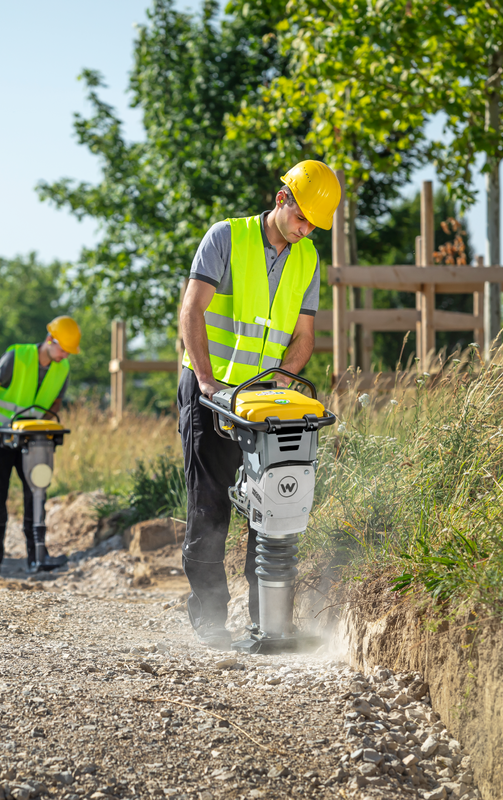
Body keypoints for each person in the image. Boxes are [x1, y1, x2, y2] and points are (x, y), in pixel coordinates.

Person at [176, 160, 340, 648]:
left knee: (269, 505)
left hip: (263, 405)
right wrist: (206, 382)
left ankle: (265, 621)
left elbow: (304, 336)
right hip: (210, 390)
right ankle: (209, 619)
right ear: (280, 198)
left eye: (314, 224)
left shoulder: (307, 259)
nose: (306, 229)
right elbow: (192, 310)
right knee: (209, 506)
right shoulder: (226, 238)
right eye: (302, 218)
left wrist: (282, 388)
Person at [0, 316, 81, 576]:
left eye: (69, 352)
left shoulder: (62, 368)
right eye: (63, 349)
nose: (65, 355)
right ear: (50, 340)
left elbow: (56, 401)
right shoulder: (17, 356)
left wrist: (45, 420)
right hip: (0, 435)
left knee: (36, 495)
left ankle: (37, 558)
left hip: (33, 439)